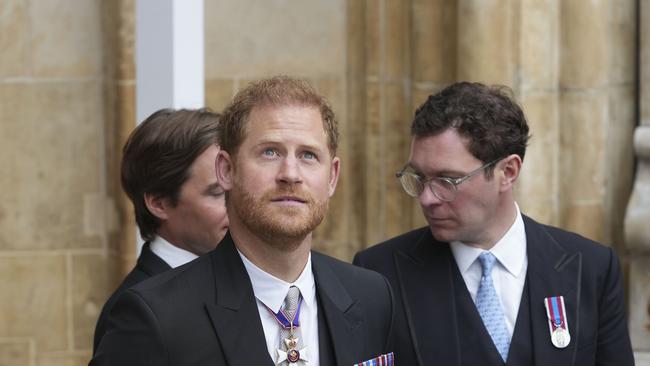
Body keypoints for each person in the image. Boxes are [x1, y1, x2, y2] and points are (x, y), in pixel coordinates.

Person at [90, 76, 394, 366]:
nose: (290, 173)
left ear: (332, 177)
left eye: (308, 155)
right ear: (226, 169)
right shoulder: (156, 316)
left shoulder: (371, 296)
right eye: (270, 152)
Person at [354, 82, 634, 366]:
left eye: (447, 180)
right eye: (419, 177)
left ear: (508, 172)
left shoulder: (591, 269)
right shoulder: (378, 275)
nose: (427, 198)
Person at [92, 108, 229, 353]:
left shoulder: (239, 277)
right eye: (217, 193)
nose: (238, 207)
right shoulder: (133, 314)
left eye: (237, 188)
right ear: (159, 203)